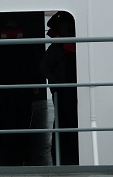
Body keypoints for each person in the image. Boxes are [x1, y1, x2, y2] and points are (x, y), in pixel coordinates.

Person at [40, 11, 78, 165]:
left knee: (68, 120)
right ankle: (64, 153)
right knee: (65, 120)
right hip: (63, 89)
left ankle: (68, 152)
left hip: (71, 88)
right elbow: (45, 67)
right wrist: (57, 82)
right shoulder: (58, 48)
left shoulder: (63, 47)